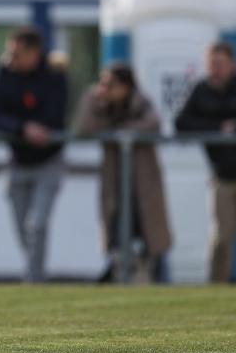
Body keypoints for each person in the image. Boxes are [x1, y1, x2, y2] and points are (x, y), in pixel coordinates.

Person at [175, 41, 236, 284]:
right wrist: (218, 129)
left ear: (232, 64)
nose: (214, 70)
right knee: (221, 238)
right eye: (211, 64)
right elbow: (181, 123)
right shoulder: (200, 90)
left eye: (219, 64)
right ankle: (216, 289)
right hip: (222, 176)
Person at [73, 63, 172, 282]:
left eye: (111, 84)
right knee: (117, 234)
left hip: (143, 182)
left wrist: (120, 132)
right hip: (115, 182)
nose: (105, 87)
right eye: (102, 83)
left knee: (151, 237)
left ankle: (158, 280)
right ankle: (119, 278)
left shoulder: (140, 102)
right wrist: (94, 98)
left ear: (126, 86)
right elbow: (83, 127)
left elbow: (154, 123)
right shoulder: (99, 103)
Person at [0, 26, 67, 283]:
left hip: (48, 162)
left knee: (38, 225)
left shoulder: (55, 76)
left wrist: (38, 128)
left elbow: (57, 116)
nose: (11, 59)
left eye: (17, 54)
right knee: (24, 229)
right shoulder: (4, 75)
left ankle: (34, 280)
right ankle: (35, 275)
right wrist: (23, 128)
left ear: (34, 53)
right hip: (17, 161)